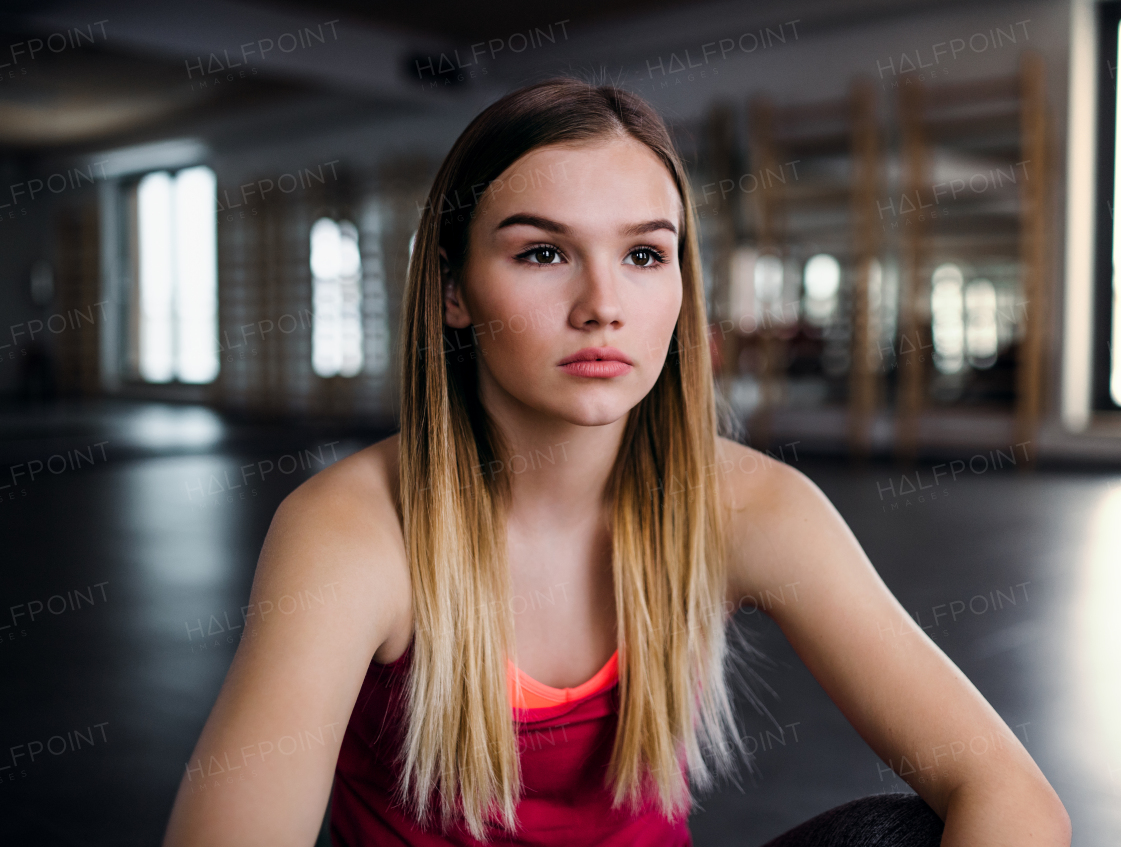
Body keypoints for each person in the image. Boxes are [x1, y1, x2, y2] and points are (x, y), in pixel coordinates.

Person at [162, 78, 1070, 847]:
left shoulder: (750, 505)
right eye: (543, 252)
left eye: (643, 253)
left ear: (680, 284)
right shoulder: (354, 529)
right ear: (452, 292)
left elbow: (1011, 795)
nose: (604, 303)